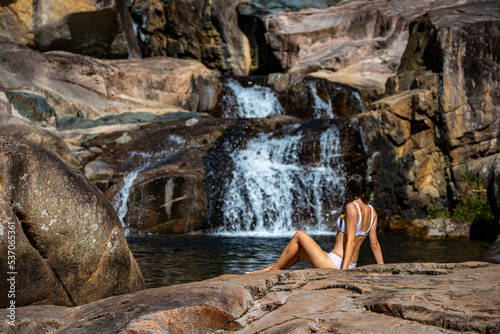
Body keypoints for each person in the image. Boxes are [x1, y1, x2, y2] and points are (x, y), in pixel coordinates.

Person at [246, 174, 384, 272]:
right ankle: (263, 272)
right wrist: (383, 269)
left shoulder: (352, 208)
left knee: (299, 235)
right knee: (298, 250)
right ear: (364, 190)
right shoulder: (372, 211)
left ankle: (270, 272)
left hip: (337, 264)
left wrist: (344, 272)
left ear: (348, 189)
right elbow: (374, 245)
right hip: (345, 262)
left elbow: (350, 242)